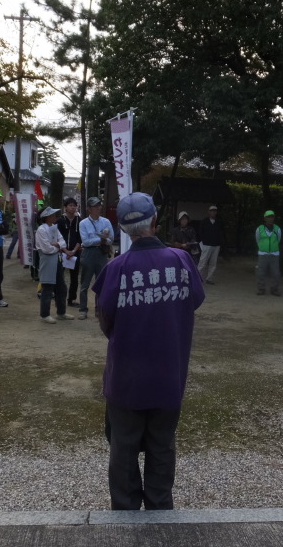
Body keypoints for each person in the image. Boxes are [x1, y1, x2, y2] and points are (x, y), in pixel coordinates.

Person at [93, 192, 205, 510]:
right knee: (162, 445)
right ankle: (159, 509)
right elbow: (194, 301)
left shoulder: (115, 269)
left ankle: (126, 510)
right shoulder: (182, 261)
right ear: (155, 221)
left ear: (124, 229)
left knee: (123, 447)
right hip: (170, 374)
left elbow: (105, 320)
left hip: (125, 378)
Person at [35, 206, 76, 323]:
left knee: (61, 287)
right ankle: (44, 314)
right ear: (46, 217)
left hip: (57, 259)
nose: (55, 217)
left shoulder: (54, 227)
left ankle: (61, 312)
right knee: (47, 287)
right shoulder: (41, 230)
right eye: (52, 215)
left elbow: (61, 241)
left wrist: (56, 245)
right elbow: (46, 248)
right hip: (47, 260)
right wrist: (57, 246)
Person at [78, 196, 114, 320]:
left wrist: (104, 240)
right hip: (88, 254)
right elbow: (86, 242)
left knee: (102, 284)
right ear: (89, 209)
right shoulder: (83, 223)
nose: (98, 208)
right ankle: (83, 309)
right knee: (84, 284)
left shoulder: (106, 221)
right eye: (94, 206)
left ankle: (99, 309)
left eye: (99, 205)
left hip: (102, 254)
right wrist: (101, 239)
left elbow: (111, 239)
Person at [56, 197, 82, 306]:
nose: (73, 207)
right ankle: (59, 299)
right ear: (65, 207)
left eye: (74, 205)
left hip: (75, 252)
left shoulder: (79, 221)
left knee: (74, 277)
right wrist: (65, 251)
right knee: (59, 277)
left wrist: (74, 251)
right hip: (62, 252)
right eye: (70, 205)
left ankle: (71, 299)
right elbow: (57, 237)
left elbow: (80, 237)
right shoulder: (60, 220)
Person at [255, 210, 282, 296]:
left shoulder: (277, 229)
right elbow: (257, 240)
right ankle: (261, 289)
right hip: (263, 253)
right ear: (265, 218)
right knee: (260, 272)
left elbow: (279, 240)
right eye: (268, 217)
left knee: (276, 273)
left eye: (272, 217)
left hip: (274, 254)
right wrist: (262, 247)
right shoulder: (259, 229)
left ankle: (274, 289)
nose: (270, 219)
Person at [197, 205, 224, 284]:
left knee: (213, 263)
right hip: (206, 245)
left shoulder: (219, 222)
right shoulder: (204, 221)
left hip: (216, 245)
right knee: (202, 263)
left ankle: (209, 279)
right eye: (212, 211)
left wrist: (220, 242)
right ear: (208, 212)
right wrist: (203, 240)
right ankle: (198, 278)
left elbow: (221, 233)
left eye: (215, 211)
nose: (213, 212)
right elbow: (200, 232)